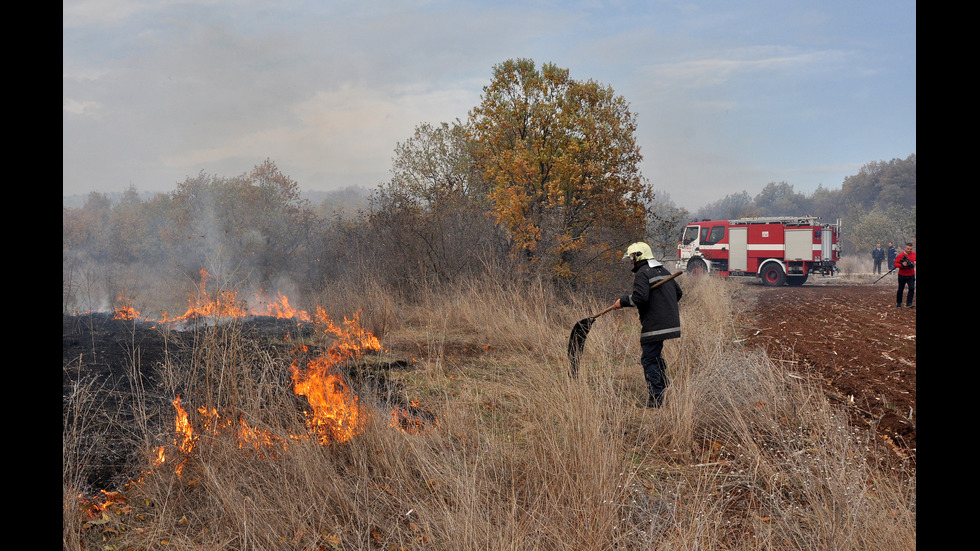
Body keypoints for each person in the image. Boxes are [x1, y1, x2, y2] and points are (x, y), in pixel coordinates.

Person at [611, 242, 683, 407]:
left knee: (648, 360)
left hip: (654, 325)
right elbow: (678, 293)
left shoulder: (643, 273)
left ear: (637, 256)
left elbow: (640, 298)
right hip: (669, 322)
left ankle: (656, 400)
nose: (630, 262)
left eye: (631, 258)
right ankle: (666, 387)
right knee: (655, 356)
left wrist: (622, 301)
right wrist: (664, 307)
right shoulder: (663, 270)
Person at [894, 242, 916, 308]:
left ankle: (909, 303)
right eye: (908, 249)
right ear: (905, 248)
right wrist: (902, 265)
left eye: (910, 249)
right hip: (902, 275)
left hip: (911, 275)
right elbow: (895, 264)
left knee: (912, 288)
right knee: (900, 289)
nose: (909, 250)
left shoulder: (914, 255)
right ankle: (899, 303)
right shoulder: (900, 256)